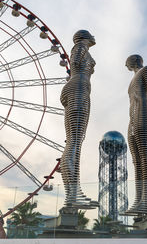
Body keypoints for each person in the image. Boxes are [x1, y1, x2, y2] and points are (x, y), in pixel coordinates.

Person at [60, 30, 98, 209]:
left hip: (77, 86)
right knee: (75, 141)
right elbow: (74, 63)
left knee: (74, 141)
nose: (94, 37)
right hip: (79, 87)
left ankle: (74, 194)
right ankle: (73, 194)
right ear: (84, 36)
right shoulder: (81, 46)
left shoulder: (81, 48)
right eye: (91, 34)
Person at [125, 54, 147, 215]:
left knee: (145, 155)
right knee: (136, 160)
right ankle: (138, 200)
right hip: (132, 117)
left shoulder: (146, 70)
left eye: (128, 62)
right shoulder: (131, 80)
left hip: (142, 111)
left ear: (134, 61)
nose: (126, 65)